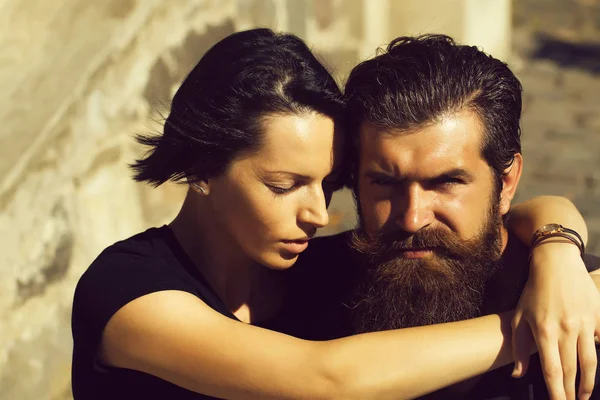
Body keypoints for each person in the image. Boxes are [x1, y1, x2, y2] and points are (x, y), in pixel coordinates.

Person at [71, 28, 598, 400]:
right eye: (284, 185)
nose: (320, 213)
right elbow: (328, 381)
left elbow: (520, 218)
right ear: (202, 168)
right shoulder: (128, 291)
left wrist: (559, 250)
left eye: (327, 183)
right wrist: (543, 324)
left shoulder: (319, 268)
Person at [285, 34, 600, 400]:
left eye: (446, 182)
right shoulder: (297, 291)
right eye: (385, 183)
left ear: (507, 182)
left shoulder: (581, 312)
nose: (412, 218)